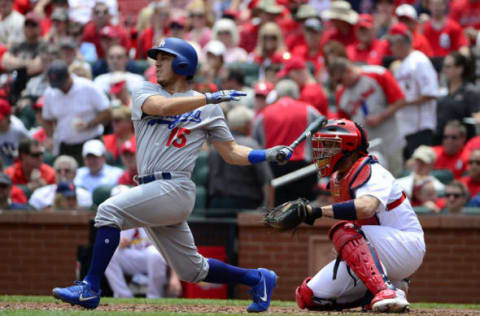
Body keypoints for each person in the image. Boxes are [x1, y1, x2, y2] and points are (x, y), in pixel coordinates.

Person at [52, 37, 292, 312]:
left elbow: (231, 152)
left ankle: (90, 287)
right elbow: (163, 108)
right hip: (151, 191)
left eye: (164, 58)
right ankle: (258, 278)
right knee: (192, 270)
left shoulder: (209, 109)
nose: (156, 63)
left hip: (175, 187)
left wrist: (268, 154)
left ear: (182, 63)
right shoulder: (145, 91)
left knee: (108, 211)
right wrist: (208, 96)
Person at [270, 119, 424, 313]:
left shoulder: (372, 170)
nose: (323, 152)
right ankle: (391, 289)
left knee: (343, 231)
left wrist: (316, 211)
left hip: (407, 246)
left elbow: (367, 208)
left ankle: (386, 290)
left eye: (329, 145)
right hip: (380, 248)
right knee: (308, 296)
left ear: (348, 147)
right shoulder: (337, 179)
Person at [328, 57, 406, 174]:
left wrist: (380, 116)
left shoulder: (377, 74)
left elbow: (400, 100)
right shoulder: (341, 93)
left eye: (340, 80)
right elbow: (345, 126)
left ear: (348, 71)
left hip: (389, 137)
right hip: (367, 146)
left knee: (396, 176)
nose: (340, 84)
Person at [42, 59, 112, 164]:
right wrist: (50, 137)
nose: (60, 88)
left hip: (90, 142)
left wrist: (89, 124)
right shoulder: (50, 93)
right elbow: (46, 118)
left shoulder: (87, 87)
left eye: (61, 84)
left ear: (68, 76)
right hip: (65, 145)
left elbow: (107, 112)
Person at [208, 106, 274, 210]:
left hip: (216, 205)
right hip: (245, 205)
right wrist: (270, 207)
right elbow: (266, 179)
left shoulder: (215, 146)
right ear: (247, 125)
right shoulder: (252, 146)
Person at [389, 23, 439, 160]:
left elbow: (431, 92)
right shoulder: (401, 65)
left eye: (391, 43)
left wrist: (403, 103)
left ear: (399, 42)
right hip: (406, 129)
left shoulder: (419, 60)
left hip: (420, 128)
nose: (390, 48)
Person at [105, 227, 182, 298]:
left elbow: (171, 247)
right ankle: (123, 297)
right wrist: (117, 241)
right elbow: (109, 239)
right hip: (131, 258)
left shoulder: (159, 215)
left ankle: (155, 297)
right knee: (107, 253)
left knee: (155, 253)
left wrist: (174, 277)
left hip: (153, 258)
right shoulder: (124, 214)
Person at [434, 52, 479, 144]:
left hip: (463, 144)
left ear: (460, 69)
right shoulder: (442, 92)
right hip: (441, 143)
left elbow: (477, 116)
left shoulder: (470, 92)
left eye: (448, 66)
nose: (444, 70)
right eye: (444, 66)